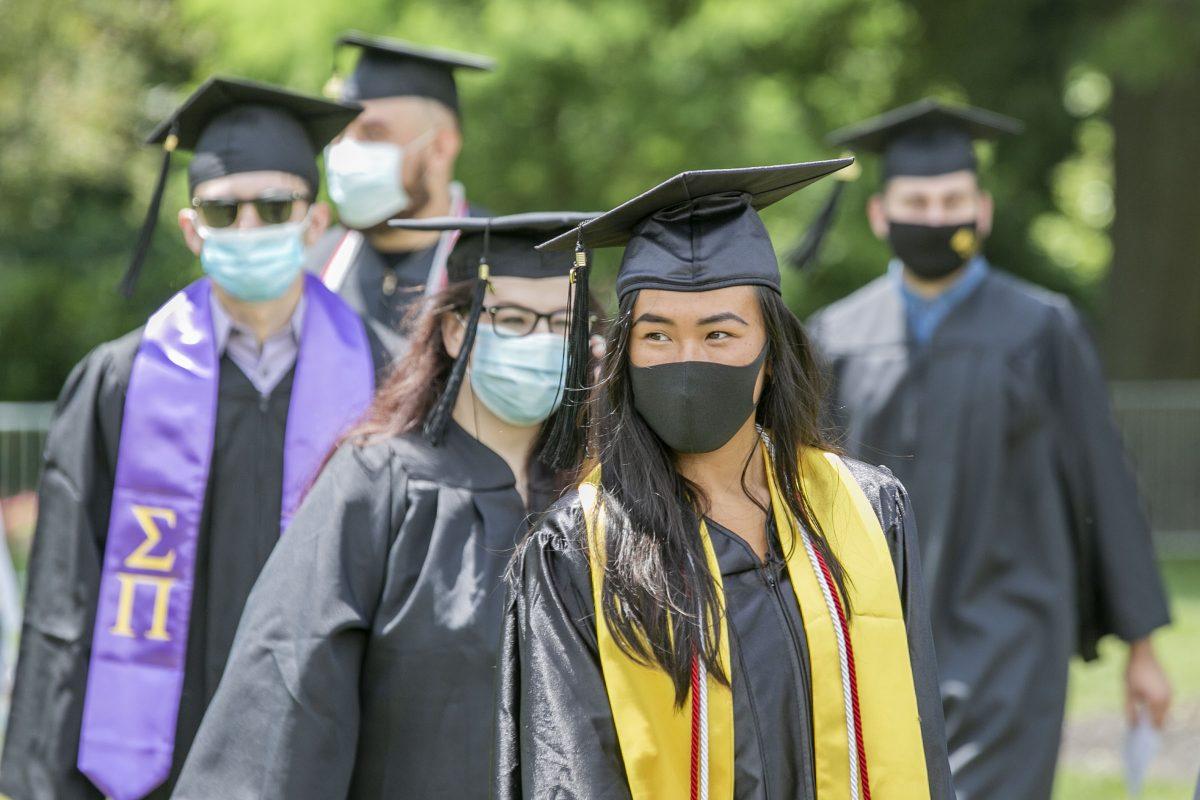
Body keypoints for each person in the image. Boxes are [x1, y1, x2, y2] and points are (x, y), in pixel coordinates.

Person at [494, 163, 955, 800]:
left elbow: (919, 739)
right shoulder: (579, 550)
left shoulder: (864, 511)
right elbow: (570, 777)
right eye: (657, 335)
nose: (689, 360)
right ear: (624, 356)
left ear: (770, 357)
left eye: (720, 334)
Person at [0, 77, 391, 800]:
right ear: (191, 229)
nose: (248, 227)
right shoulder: (119, 383)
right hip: (156, 761)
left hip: (332, 758)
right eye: (223, 208)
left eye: (275, 207)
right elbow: (64, 602)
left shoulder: (387, 379)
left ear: (315, 224)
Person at [807, 98, 1173, 799]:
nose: (937, 216)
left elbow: (1104, 482)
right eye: (918, 200)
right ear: (880, 213)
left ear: (983, 211)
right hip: (879, 632)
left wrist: (1143, 649)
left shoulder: (1042, 329)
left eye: (954, 199)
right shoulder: (837, 337)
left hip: (1015, 633)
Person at [172, 212, 596, 799]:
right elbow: (288, 691)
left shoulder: (598, 501)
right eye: (514, 319)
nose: (541, 342)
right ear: (453, 329)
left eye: (563, 325)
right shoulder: (380, 484)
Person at [309, 31, 494, 333]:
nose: (347, 151)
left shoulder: (502, 268)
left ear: (440, 149)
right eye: (341, 133)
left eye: (373, 134)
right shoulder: (312, 270)